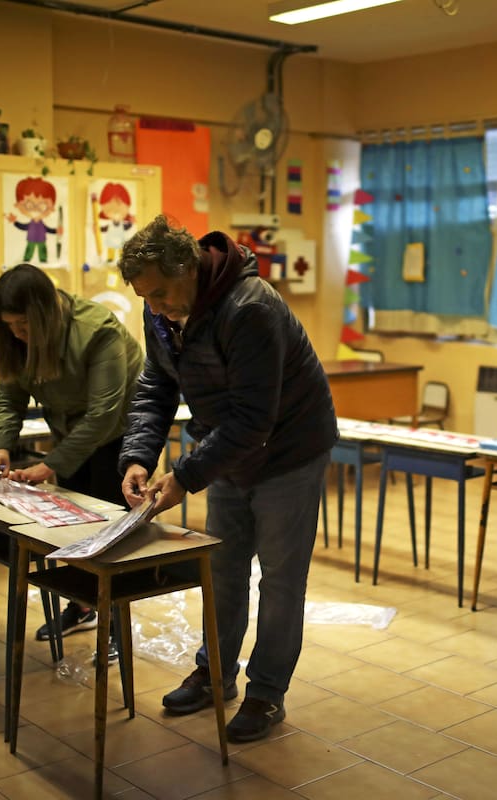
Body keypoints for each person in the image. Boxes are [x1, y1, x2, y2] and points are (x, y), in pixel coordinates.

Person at [117, 216, 336, 743]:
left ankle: (266, 692)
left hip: (290, 451)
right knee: (222, 568)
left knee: (280, 580)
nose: (155, 307)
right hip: (231, 449)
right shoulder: (162, 311)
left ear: (188, 268)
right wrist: (139, 456)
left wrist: (185, 476)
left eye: (160, 293)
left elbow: (254, 420)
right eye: (145, 298)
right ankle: (215, 674)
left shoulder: (250, 308)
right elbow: (156, 386)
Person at [0, 263, 143, 649]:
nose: (17, 334)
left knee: (110, 532)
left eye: (23, 325)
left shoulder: (98, 331)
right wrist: (1, 445)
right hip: (72, 435)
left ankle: (115, 625)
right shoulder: (17, 338)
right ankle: (83, 606)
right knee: (73, 529)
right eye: (9, 326)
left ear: (45, 313)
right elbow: (9, 397)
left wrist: (50, 465)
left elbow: (103, 414)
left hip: (119, 434)